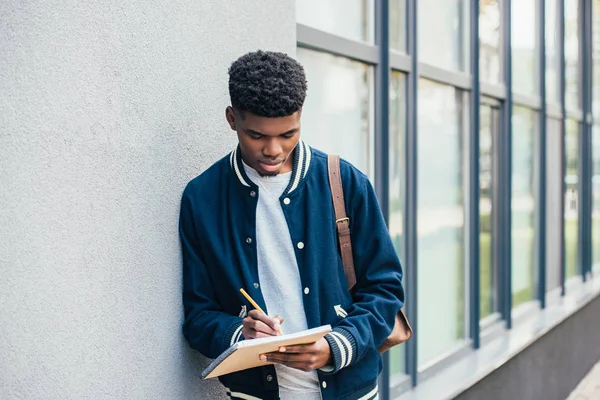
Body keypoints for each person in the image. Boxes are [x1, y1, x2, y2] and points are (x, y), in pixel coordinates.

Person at [179, 50, 405, 400]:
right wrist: (240, 333)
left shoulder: (345, 182)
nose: (273, 149)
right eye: (257, 135)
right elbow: (198, 315)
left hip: (351, 392)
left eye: (288, 134)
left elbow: (385, 289)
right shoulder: (202, 198)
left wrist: (337, 345)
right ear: (231, 119)